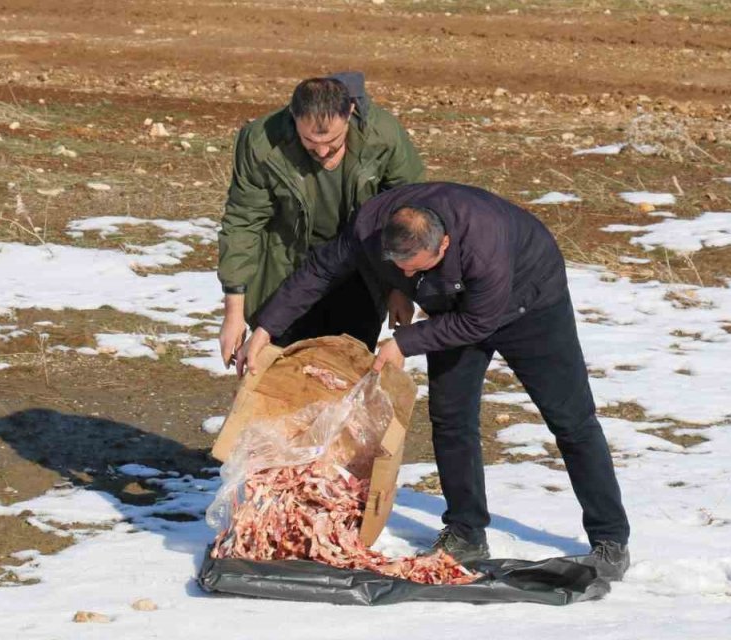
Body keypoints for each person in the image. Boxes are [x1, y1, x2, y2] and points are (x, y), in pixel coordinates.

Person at [235, 182, 632, 580]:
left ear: (443, 244)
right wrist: (266, 329)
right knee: (451, 417)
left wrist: (404, 343)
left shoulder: (484, 244)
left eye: (415, 268)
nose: (407, 274)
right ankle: (465, 531)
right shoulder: (372, 226)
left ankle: (610, 539)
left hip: (530, 305)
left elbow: (479, 322)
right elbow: (320, 270)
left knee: (571, 420)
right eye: (400, 267)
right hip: (452, 306)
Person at [217, 72, 424, 368]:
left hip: (360, 270)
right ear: (293, 117)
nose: (323, 152)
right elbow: (242, 223)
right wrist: (233, 315)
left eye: (333, 141)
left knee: (344, 368)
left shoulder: (383, 136)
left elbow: (408, 216)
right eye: (310, 143)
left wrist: (398, 288)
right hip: (287, 269)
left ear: (350, 111)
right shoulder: (261, 142)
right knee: (286, 370)